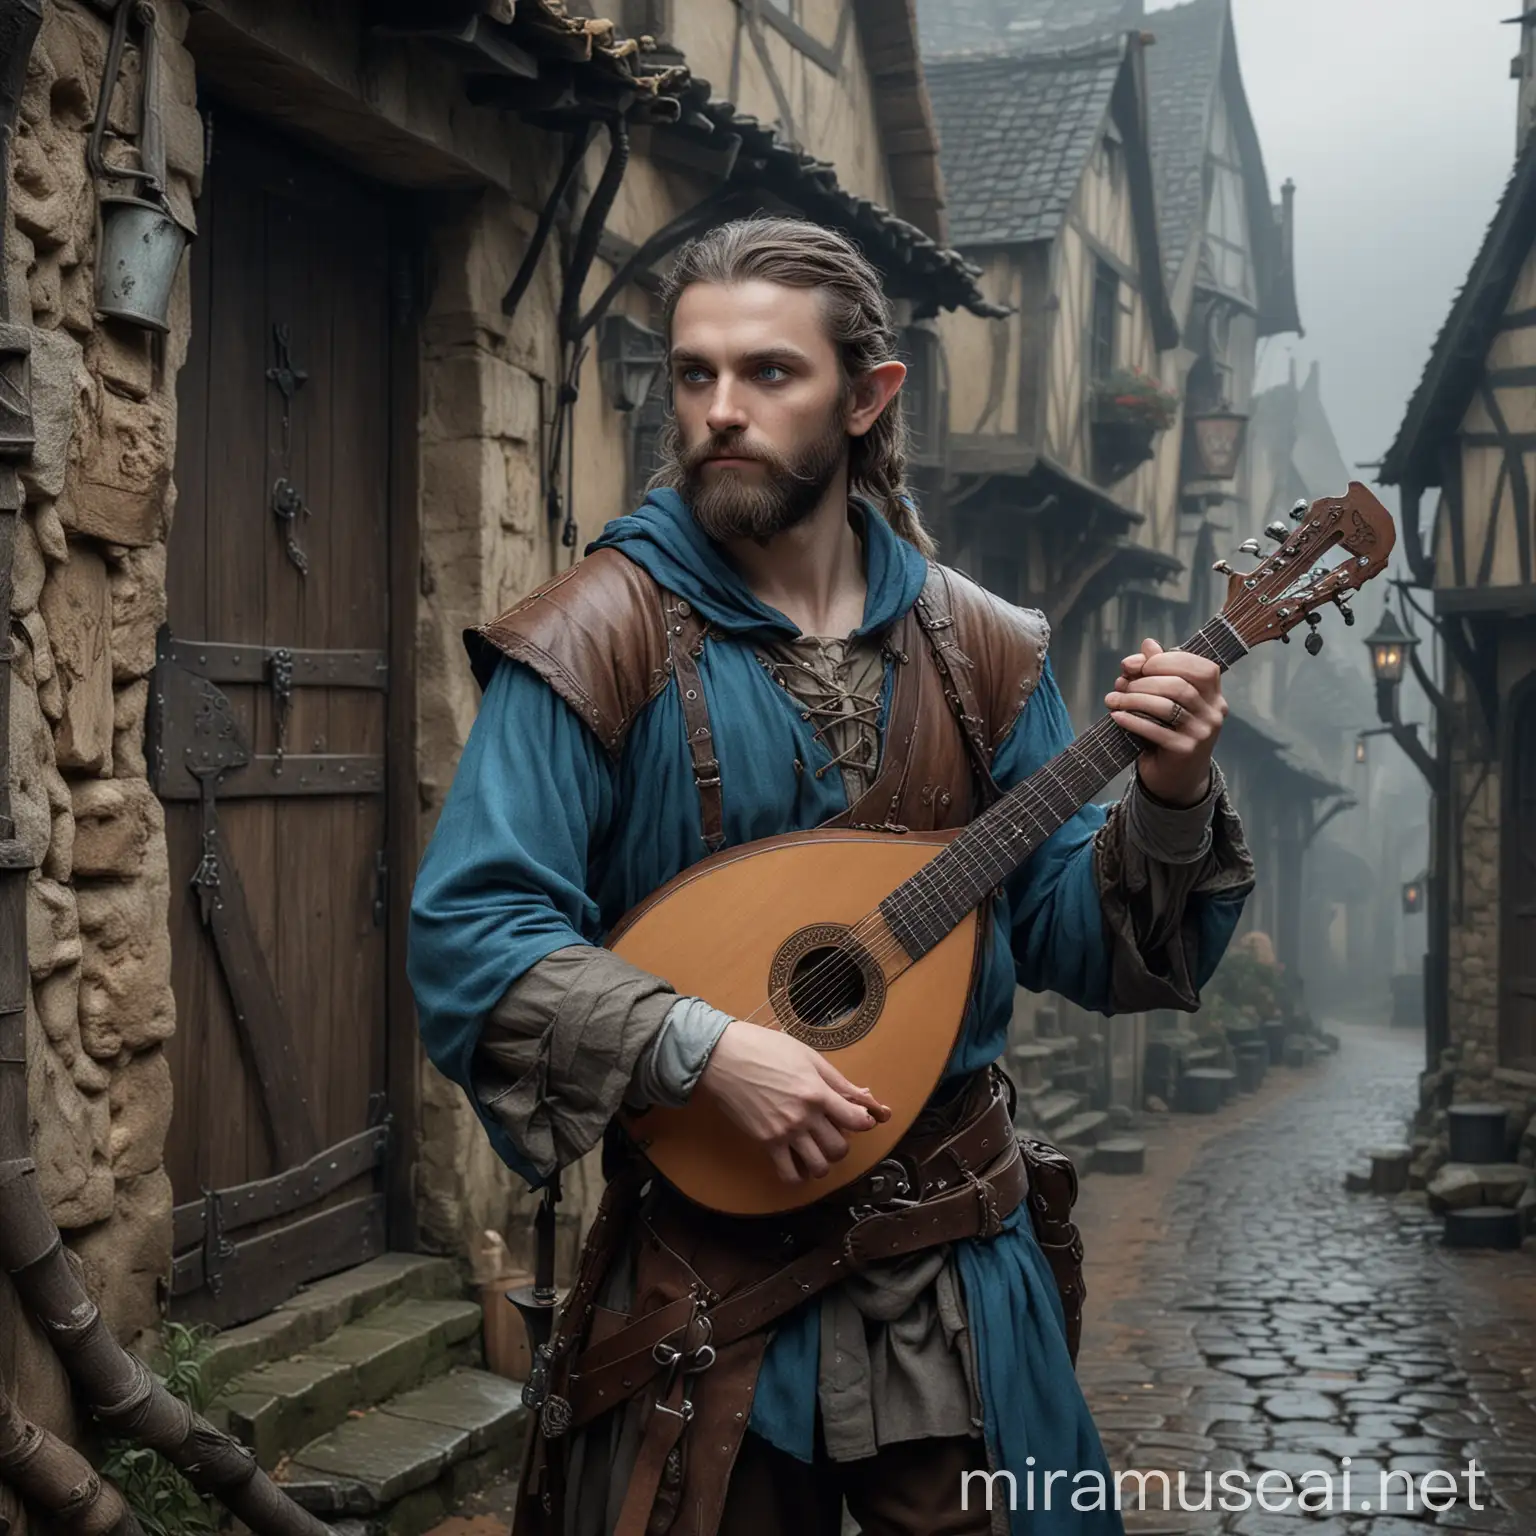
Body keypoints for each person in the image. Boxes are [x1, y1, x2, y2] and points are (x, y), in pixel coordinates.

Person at [408, 216, 1255, 1536]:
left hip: (958, 1282)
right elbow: (471, 930)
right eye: (694, 375)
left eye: (768, 374)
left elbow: (1079, 940)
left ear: (868, 396)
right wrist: (701, 1048)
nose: (721, 411)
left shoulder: (986, 652)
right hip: (706, 1276)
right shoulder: (600, 634)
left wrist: (1171, 795)